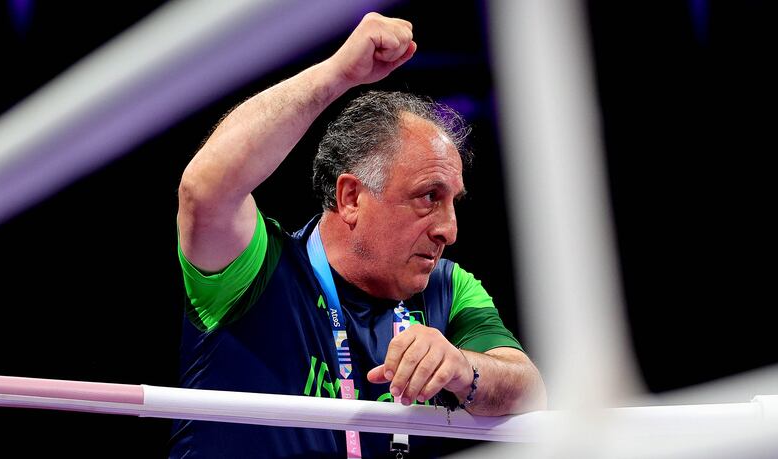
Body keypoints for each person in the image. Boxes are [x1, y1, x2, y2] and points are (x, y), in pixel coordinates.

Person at [169, 11, 546, 458]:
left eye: (452, 202)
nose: (449, 229)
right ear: (350, 198)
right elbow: (203, 189)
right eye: (428, 196)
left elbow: (529, 391)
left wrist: (464, 367)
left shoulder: (447, 288)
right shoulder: (257, 271)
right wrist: (338, 74)